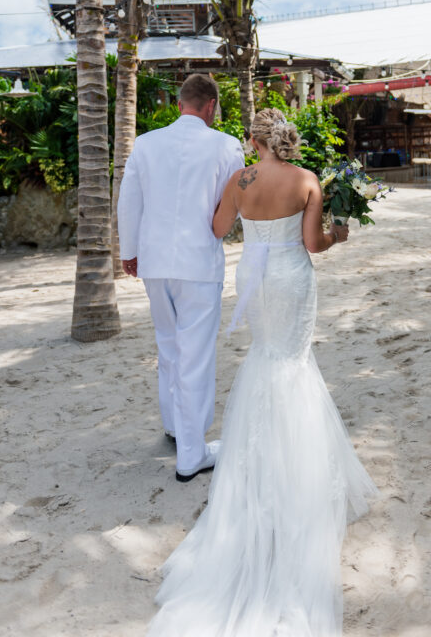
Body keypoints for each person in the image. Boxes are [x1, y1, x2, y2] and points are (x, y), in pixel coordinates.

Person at [147, 107, 378, 637]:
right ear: (285, 139)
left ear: (255, 140)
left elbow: (217, 228)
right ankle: (300, 474)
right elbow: (314, 243)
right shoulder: (306, 180)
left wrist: (246, 220)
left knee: (265, 358)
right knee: (293, 362)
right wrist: (340, 233)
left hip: (254, 280)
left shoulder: (240, 179)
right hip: (293, 280)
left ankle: (261, 471)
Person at [117, 73, 244, 481]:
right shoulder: (227, 146)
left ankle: (175, 426)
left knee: (169, 348)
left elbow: (129, 200)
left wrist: (129, 252)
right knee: (196, 355)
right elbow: (231, 209)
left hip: (154, 262)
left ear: (179, 105)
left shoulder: (146, 143)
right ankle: (191, 452)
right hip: (199, 262)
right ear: (211, 106)